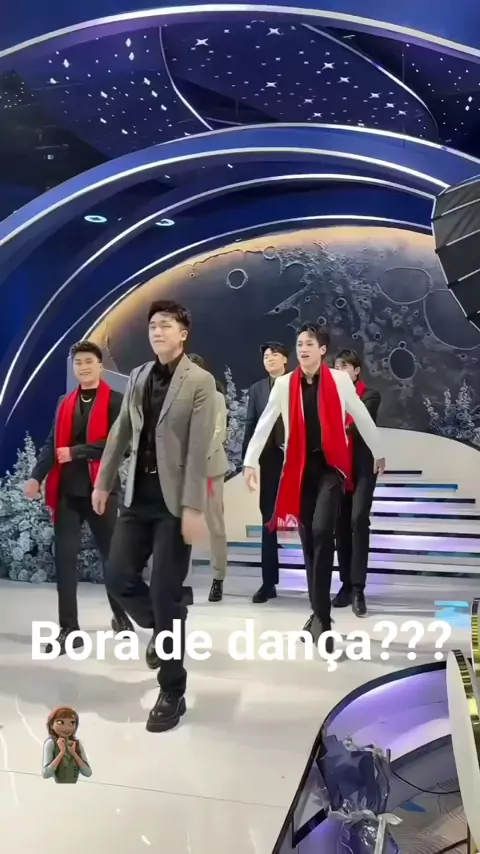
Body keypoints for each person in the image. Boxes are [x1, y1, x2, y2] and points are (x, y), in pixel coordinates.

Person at [91, 300, 216, 734]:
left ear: (183, 333)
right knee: (118, 578)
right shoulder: (140, 376)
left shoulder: (200, 381)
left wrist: (193, 507)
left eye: (165, 325)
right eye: (152, 327)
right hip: (136, 498)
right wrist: (103, 481)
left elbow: (199, 449)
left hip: (173, 504)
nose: (157, 332)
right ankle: (167, 626)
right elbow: (121, 431)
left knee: (164, 593)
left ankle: (172, 690)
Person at [243, 324, 385, 649]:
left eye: (309, 344)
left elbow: (361, 415)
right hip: (299, 471)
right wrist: (250, 461)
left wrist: (378, 451)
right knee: (309, 542)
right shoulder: (284, 384)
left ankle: (322, 618)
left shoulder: (338, 380)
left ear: (322, 350)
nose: (303, 349)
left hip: (330, 469)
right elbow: (266, 422)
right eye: (299, 344)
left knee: (323, 532)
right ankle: (319, 615)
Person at [24, 341, 132, 655]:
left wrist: (77, 452)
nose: (83, 367)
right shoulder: (65, 402)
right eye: (78, 363)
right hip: (67, 491)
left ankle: (121, 617)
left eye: (88, 362)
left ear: (100, 366)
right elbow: (51, 444)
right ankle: (69, 630)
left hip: (101, 490)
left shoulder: (116, 401)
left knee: (112, 559)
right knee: (65, 561)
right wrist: (36, 476)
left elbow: (120, 447)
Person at [333, 349, 381, 617]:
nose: (340, 371)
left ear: (356, 370)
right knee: (340, 525)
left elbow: (361, 423)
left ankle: (359, 588)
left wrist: (335, 426)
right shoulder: (330, 397)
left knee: (358, 520)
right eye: (337, 367)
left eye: (345, 367)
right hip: (337, 468)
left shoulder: (370, 395)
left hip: (363, 468)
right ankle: (346, 584)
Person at [242, 342, 288, 603]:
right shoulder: (257, 389)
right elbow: (250, 424)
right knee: (268, 520)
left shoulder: (298, 383)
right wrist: (247, 462)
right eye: (266, 356)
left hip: (298, 459)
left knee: (308, 520)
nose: (269, 359)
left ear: (285, 359)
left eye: (275, 355)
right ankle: (268, 583)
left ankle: (317, 582)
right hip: (270, 460)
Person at [189, 354, 229, 603]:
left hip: (210, 468)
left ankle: (218, 577)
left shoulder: (216, 398)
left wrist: (198, 457)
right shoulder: (177, 398)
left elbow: (219, 432)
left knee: (215, 525)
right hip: (182, 471)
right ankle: (177, 578)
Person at [42, 706, 91, 783]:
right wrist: (61, 753)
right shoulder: (51, 744)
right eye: (60, 722)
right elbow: (46, 774)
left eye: (72, 723)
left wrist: (74, 754)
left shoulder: (78, 744)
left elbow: (88, 773)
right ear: (51, 725)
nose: (66, 728)